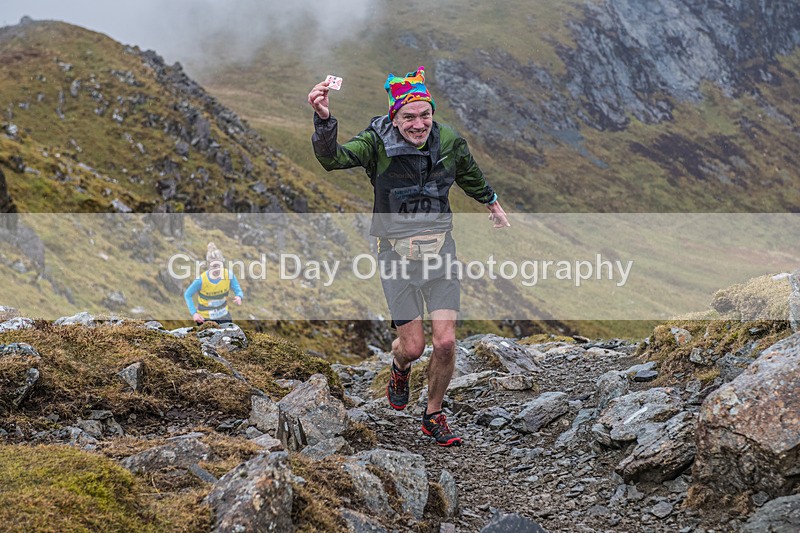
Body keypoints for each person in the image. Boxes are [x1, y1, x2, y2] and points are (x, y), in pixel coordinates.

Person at [308, 66, 510, 447]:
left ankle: (433, 414)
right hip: (396, 257)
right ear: (393, 116)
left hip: (441, 253)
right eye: (409, 117)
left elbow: (468, 172)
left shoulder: (448, 139)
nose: (419, 124)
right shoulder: (376, 142)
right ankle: (400, 367)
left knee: (446, 342)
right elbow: (333, 159)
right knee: (414, 347)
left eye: (425, 115)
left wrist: (491, 202)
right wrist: (324, 121)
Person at [184, 242, 243, 325]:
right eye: (214, 266)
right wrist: (194, 313)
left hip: (224, 316)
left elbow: (237, 289)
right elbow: (187, 294)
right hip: (205, 319)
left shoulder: (229, 275)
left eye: (219, 265)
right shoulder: (201, 280)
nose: (217, 269)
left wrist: (239, 296)